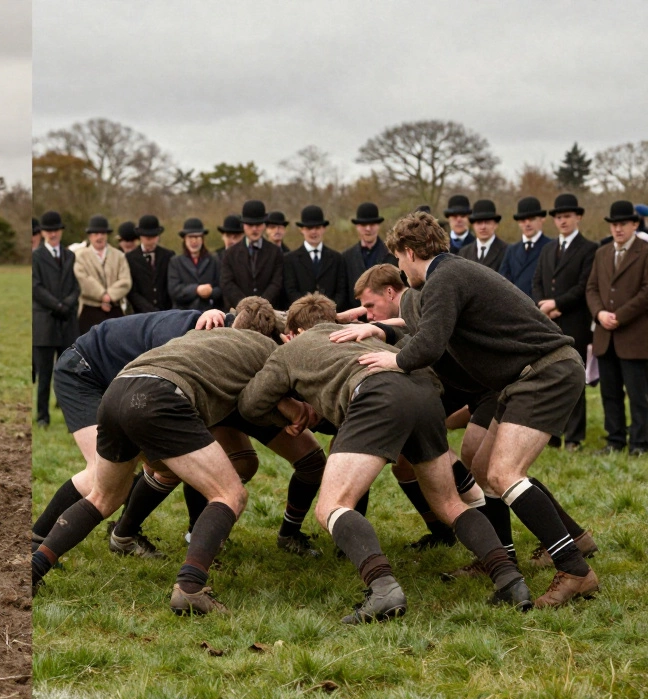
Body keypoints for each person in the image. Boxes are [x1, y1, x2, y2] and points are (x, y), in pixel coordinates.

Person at [239, 294, 531, 623]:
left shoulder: (289, 350)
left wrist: (289, 411)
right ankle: (510, 580)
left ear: (293, 332)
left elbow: (250, 404)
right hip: (425, 393)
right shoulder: (359, 334)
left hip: (377, 396)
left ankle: (382, 589)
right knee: (449, 503)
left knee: (331, 506)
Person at [360, 211, 599, 607]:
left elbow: (429, 343)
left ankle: (575, 569)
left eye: (399, 262)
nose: (400, 271)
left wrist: (392, 361)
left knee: (505, 473)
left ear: (408, 251)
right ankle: (501, 560)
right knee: (486, 471)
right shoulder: (448, 275)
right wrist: (379, 329)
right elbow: (424, 324)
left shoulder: (445, 277)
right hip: (525, 377)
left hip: (545, 372)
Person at [32, 320, 295, 615]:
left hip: (118, 388)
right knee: (230, 494)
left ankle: (33, 568)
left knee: (102, 496)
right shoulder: (269, 349)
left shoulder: (202, 335)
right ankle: (190, 588)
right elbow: (253, 404)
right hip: (160, 397)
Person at [534, 193, 596, 451]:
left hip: (575, 324)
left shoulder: (589, 248)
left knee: (575, 380)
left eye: (567, 216)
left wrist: (556, 304)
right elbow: (536, 281)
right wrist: (542, 305)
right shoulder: (548, 248)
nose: (563, 221)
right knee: (551, 379)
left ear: (578, 217)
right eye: (559, 217)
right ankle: (554, 433)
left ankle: (574, 436)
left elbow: (584, 286)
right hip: (549, 324)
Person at [585, 200, 648, 456]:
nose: (618, 229)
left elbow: (646, 292)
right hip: (605, 335)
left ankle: (641, 444)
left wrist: (619, 316)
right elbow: (591, 288)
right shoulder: (602, 252)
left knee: (638, 395)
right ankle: (615, 440)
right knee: (609, 393)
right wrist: (599, 313)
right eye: (614, 224)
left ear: (635, 224)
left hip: (634, 335)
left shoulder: (645, 251)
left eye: (623, 224)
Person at [32, 210, 79, 427]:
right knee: (45, 375)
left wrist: (68, 304)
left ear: (60, 231)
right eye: (48, 231)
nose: (52, 234)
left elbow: (74, 286)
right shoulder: (35, 257)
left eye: (56, 230)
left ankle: (71, 416)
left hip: (67, 322)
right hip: (45, 324)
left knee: (68, 372)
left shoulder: (70, 256)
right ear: (42, 233)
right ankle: (42, 417)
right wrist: (57, 305)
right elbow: (36, 288)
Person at [219, 200, 284, 310]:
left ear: (264, 225)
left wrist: (262, 305)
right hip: (239, 313)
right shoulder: (230, 253)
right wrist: (245, 306)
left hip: (268, 312)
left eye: (258, 224)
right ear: (243, 225)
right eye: (250, 224)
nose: (254, 229)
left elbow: (277, 282)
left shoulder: (275, 252)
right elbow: (227, 283)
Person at [74, 215, 131, 334]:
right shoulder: (80, 256)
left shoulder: (119, 256)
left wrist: (109, 296)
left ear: (107, 235)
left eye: (102, 233)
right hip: (89, 310)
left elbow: (125, 280)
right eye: (95, 233)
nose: (99, 237)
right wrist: (102, 295)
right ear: (90, 236)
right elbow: (83, 280)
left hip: (114, 309)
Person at [284, 205, 348, 309]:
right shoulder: (290, 259)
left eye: (317, 227)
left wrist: (329, 309)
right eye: (309, 228)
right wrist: (307, 309)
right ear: (302, 229)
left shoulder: (337, 258)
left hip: (331, 317)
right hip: (301, 315)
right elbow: (291, 291)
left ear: (324, 229)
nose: (314, 231)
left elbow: (341, 291)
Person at [342, 202, 397, 308]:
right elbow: (344, 292)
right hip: (355, 318)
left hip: (386, 316)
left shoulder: (393, 254)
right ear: (357, 226)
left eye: (372, 224)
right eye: (363, 225)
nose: (368, 228)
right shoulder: (346, 257)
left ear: (378, 226)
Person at [498, 197, 552, 296]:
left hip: (541, 307)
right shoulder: (511, 250)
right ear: (518, 223)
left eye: (532, 219)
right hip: (516, 306)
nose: (527, 224)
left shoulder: (551, 246)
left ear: (542, 219)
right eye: (523, 220)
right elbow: (503, 281)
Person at [124, 215, 175, 313]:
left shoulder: (168, 255)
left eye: (153, 237)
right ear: (140, 236)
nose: (150, 241)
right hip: (140, 313)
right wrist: (148, 309)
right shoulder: (130, 258)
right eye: (147, 237)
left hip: (166, 311)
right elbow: (132, 291)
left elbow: (171, 284)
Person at [167, 218, 221, 311]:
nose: (194, 241)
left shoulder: (214, 260)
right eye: (190, 237)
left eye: (197, 237)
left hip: (209, 314)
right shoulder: (175, 262)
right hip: (183, 314)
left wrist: (210, 292)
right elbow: (174, 290)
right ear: (184, 239)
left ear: (203, 239)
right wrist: (196, 290)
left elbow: (221, 287)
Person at [458, 199, 506, 271]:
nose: (483, 227)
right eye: (479, 222)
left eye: (487, 222)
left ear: (495, 224)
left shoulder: (507, 251)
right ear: (473, 225)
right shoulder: (464, 253)